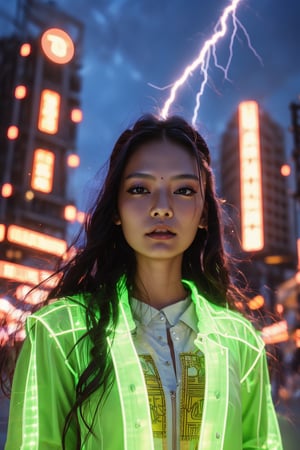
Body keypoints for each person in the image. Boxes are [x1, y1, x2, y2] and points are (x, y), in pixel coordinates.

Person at [3, 114, 283, 449]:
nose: (162, 208)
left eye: (183, 190)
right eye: (139, 189)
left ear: (204, 212)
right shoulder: (59, 331)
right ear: (117, 209)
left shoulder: (242, 342)